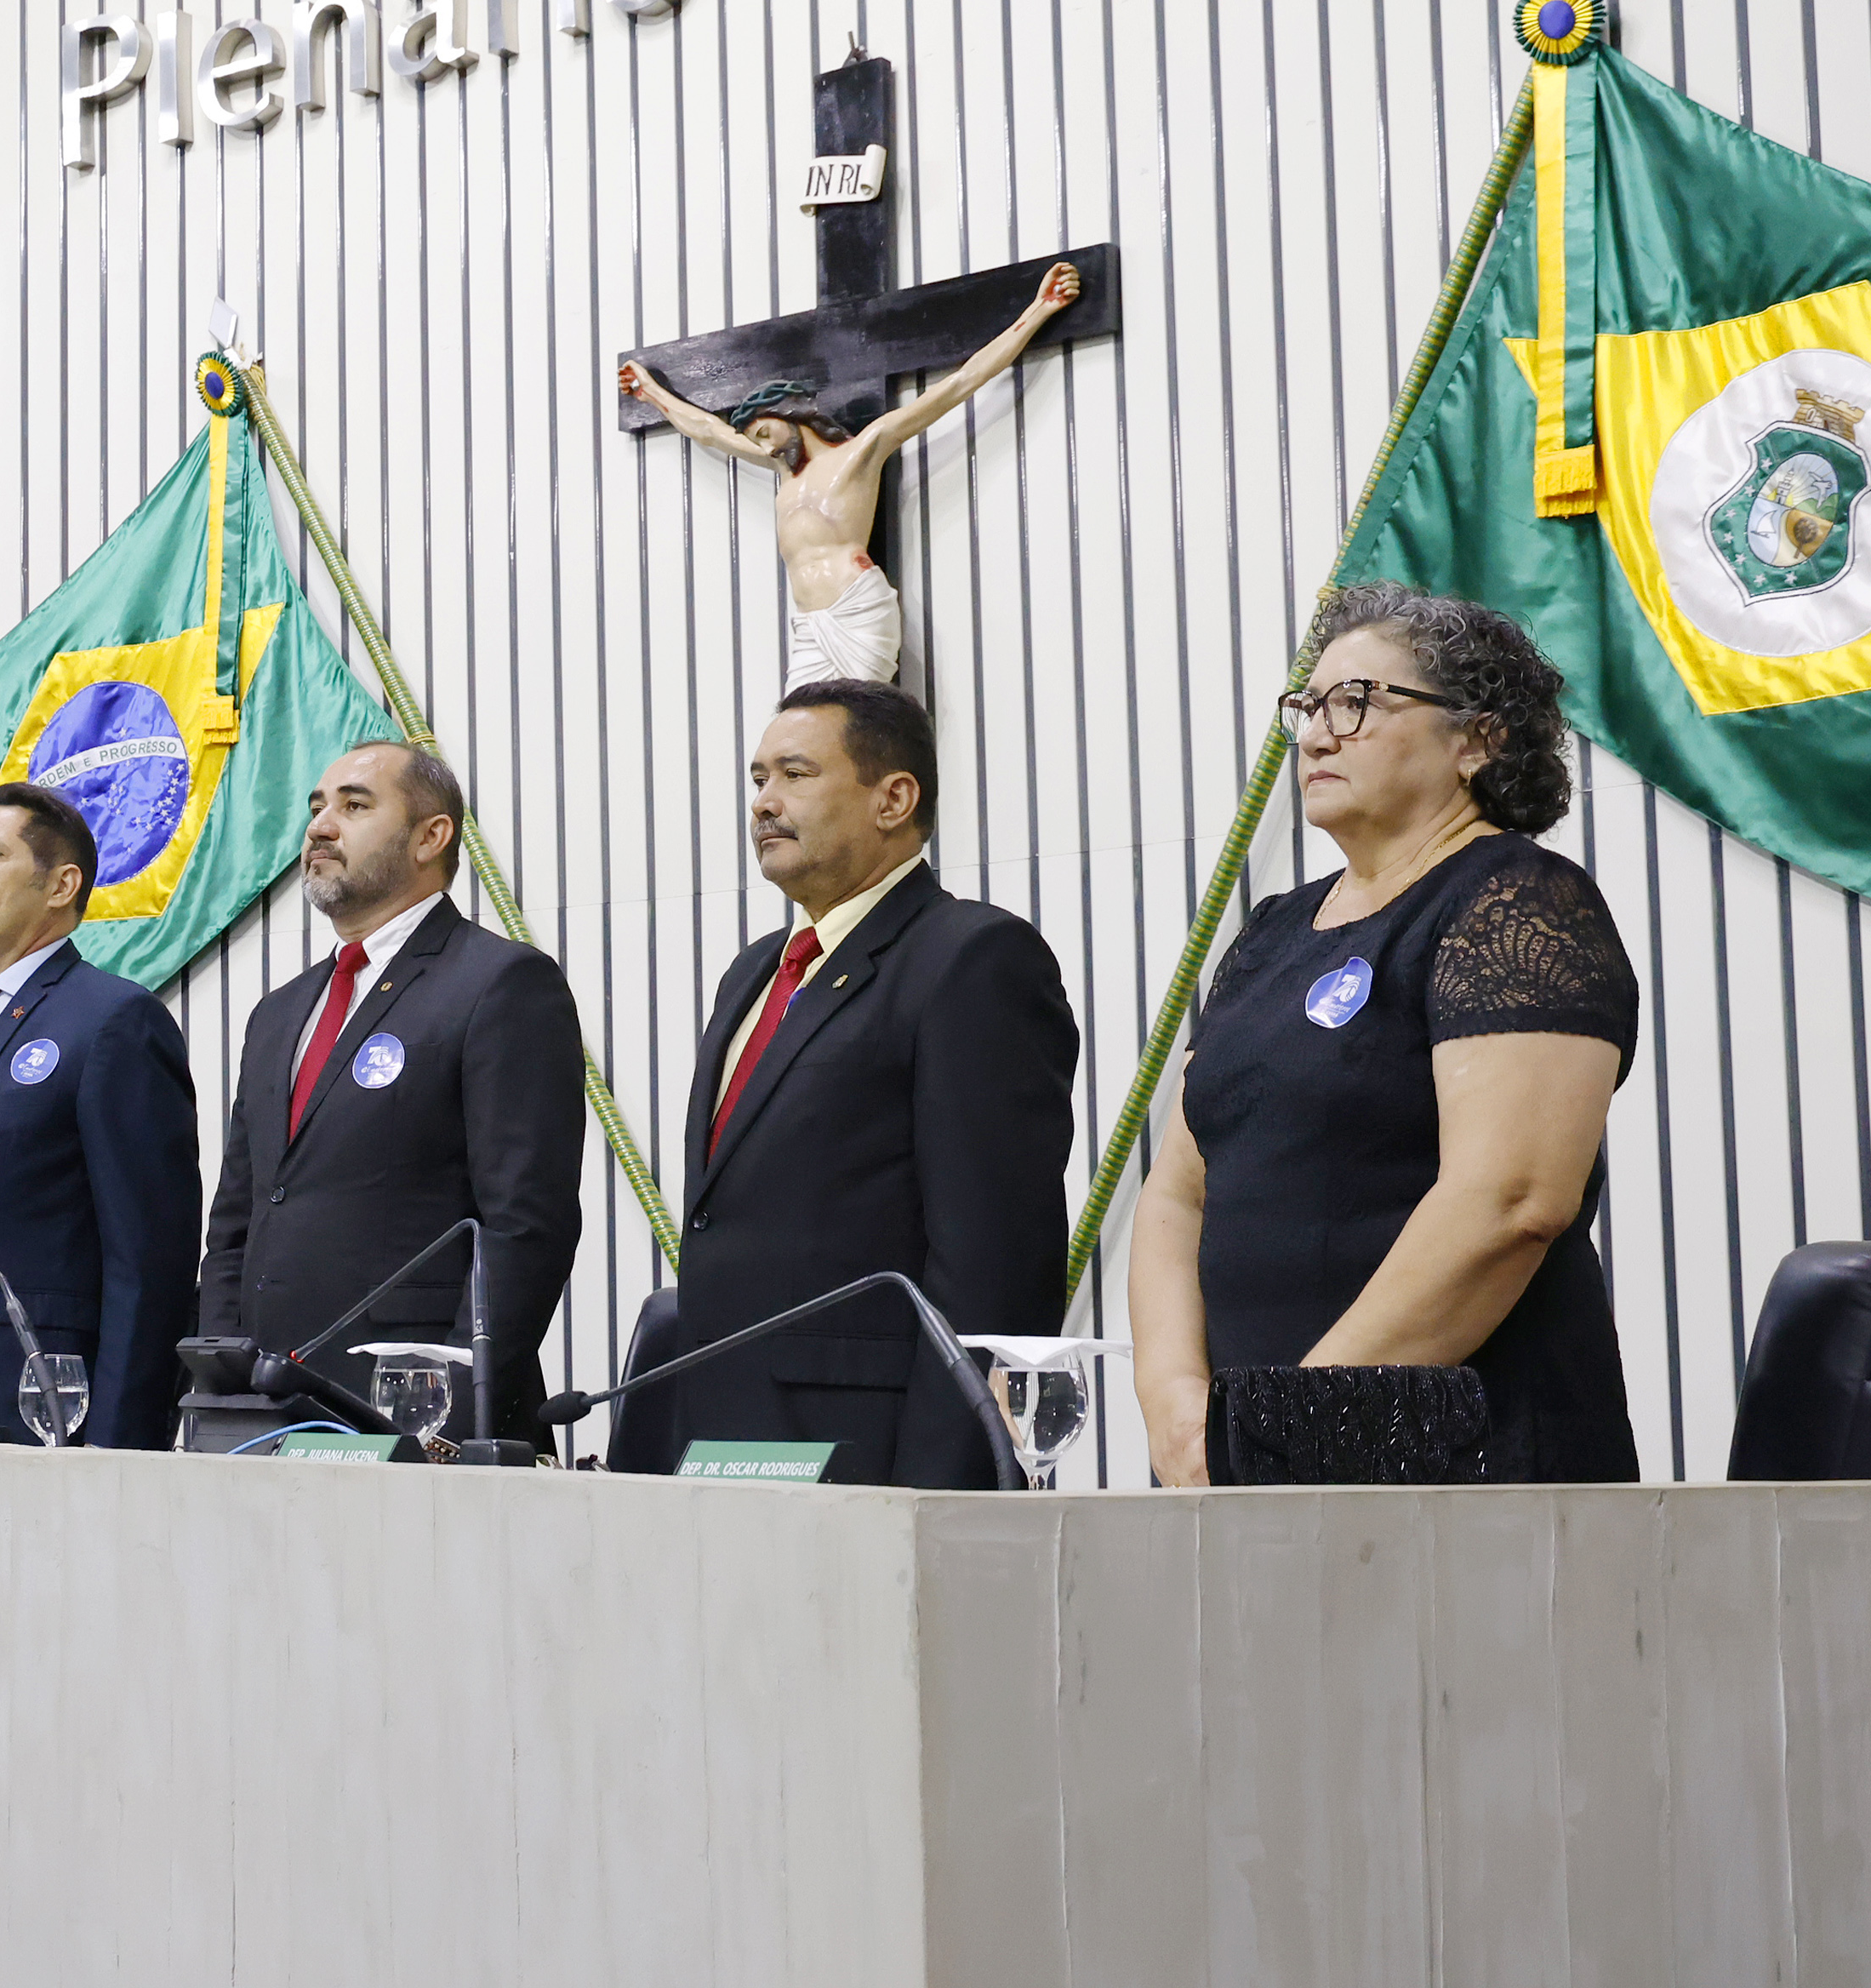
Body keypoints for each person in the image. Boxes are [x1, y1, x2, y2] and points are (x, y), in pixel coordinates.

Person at [1130, 584, 1642, 1485]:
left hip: (1465, 1471)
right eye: (1308, 707)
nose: (1318, 736)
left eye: (1357, 702)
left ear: (1477, 737)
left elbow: (1512, 1202)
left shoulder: (1515, 900)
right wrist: (1177, 1411)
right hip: (1256, 1475)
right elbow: (1177, 1194)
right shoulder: (1272, 932)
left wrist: (1290, 1431)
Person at [670, 682, 1078, 1484]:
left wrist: (943, 1478)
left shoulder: (970, 958)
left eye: (795, 774)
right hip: (727, 1439)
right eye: (758, 780)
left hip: (874, 1446)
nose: (764, 803)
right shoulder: (755, 972)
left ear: (893, 798)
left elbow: (994, 1259)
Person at [197, 742, 584, 1448]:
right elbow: (239, 1220)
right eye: (317, 808)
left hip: (414, 1417)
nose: (319, 826)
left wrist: (449, 1412)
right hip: (262, 1413)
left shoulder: (501, 984)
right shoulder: (280, 1013)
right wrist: (216, 1380)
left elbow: (526, 1224)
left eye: (354, 805)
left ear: (431, 837)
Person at [0, 783, 198, 1446]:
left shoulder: (113, 1019)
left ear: (61, 886)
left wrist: (120, 1440)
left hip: (45, 1410)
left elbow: (150, 1260)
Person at [618, 260, 1081, 688]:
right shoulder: (782, 468)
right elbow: (708, 431)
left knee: (861, 730)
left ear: (790, 414)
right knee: (799, 733)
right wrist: (651, 393)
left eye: (763, 431)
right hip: (808, 623)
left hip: (855, 608)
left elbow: (961, 383)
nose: (760, 445)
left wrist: (1040, 309)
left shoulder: (862, 452)